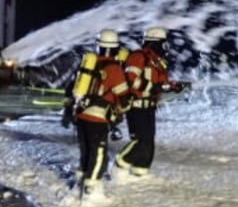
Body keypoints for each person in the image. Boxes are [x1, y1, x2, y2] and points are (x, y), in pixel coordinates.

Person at [63, 29, 130, 197]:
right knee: (98, 153)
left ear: (98, 46)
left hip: (81, 116)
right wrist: (121, 112)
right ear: (115, 48)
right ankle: (91, 190)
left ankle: (81, 179)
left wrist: (68, 111)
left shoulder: (87, 64)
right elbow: (124, 99)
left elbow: (71, 88)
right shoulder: (114, 69)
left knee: (86, 151)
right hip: (98, 118)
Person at [115, 27, 188, 178]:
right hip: (136, 106)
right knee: (141, 141)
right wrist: (154, 87)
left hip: (149, 107)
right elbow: (130, 79)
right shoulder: (138, 57)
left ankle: (139, 173)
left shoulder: (157, 63)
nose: (166, 47)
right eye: (163, 43)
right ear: (154, 43)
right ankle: (119, 165)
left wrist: (173, 86)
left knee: (149, 143)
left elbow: (160, 84)